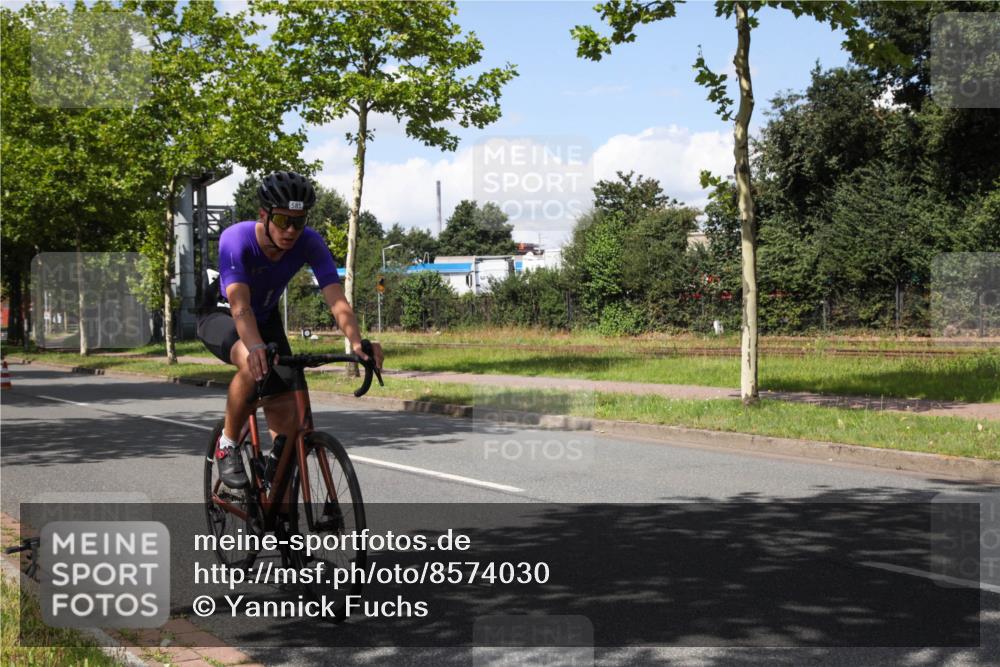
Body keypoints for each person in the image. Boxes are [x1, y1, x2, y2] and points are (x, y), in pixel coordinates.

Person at [197, 171, 383, 488]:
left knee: (287, 427)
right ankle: (228, 444)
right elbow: (240, 305)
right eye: (283, 220)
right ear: (263, 215)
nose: (292, 230)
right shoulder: (236, 239)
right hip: (224, 313)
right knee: (251, 360)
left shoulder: (309, 242)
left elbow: (336, 298)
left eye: (299, 221)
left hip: (265, 319)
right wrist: (255, 348)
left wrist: (356, 341)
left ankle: (277, 505)